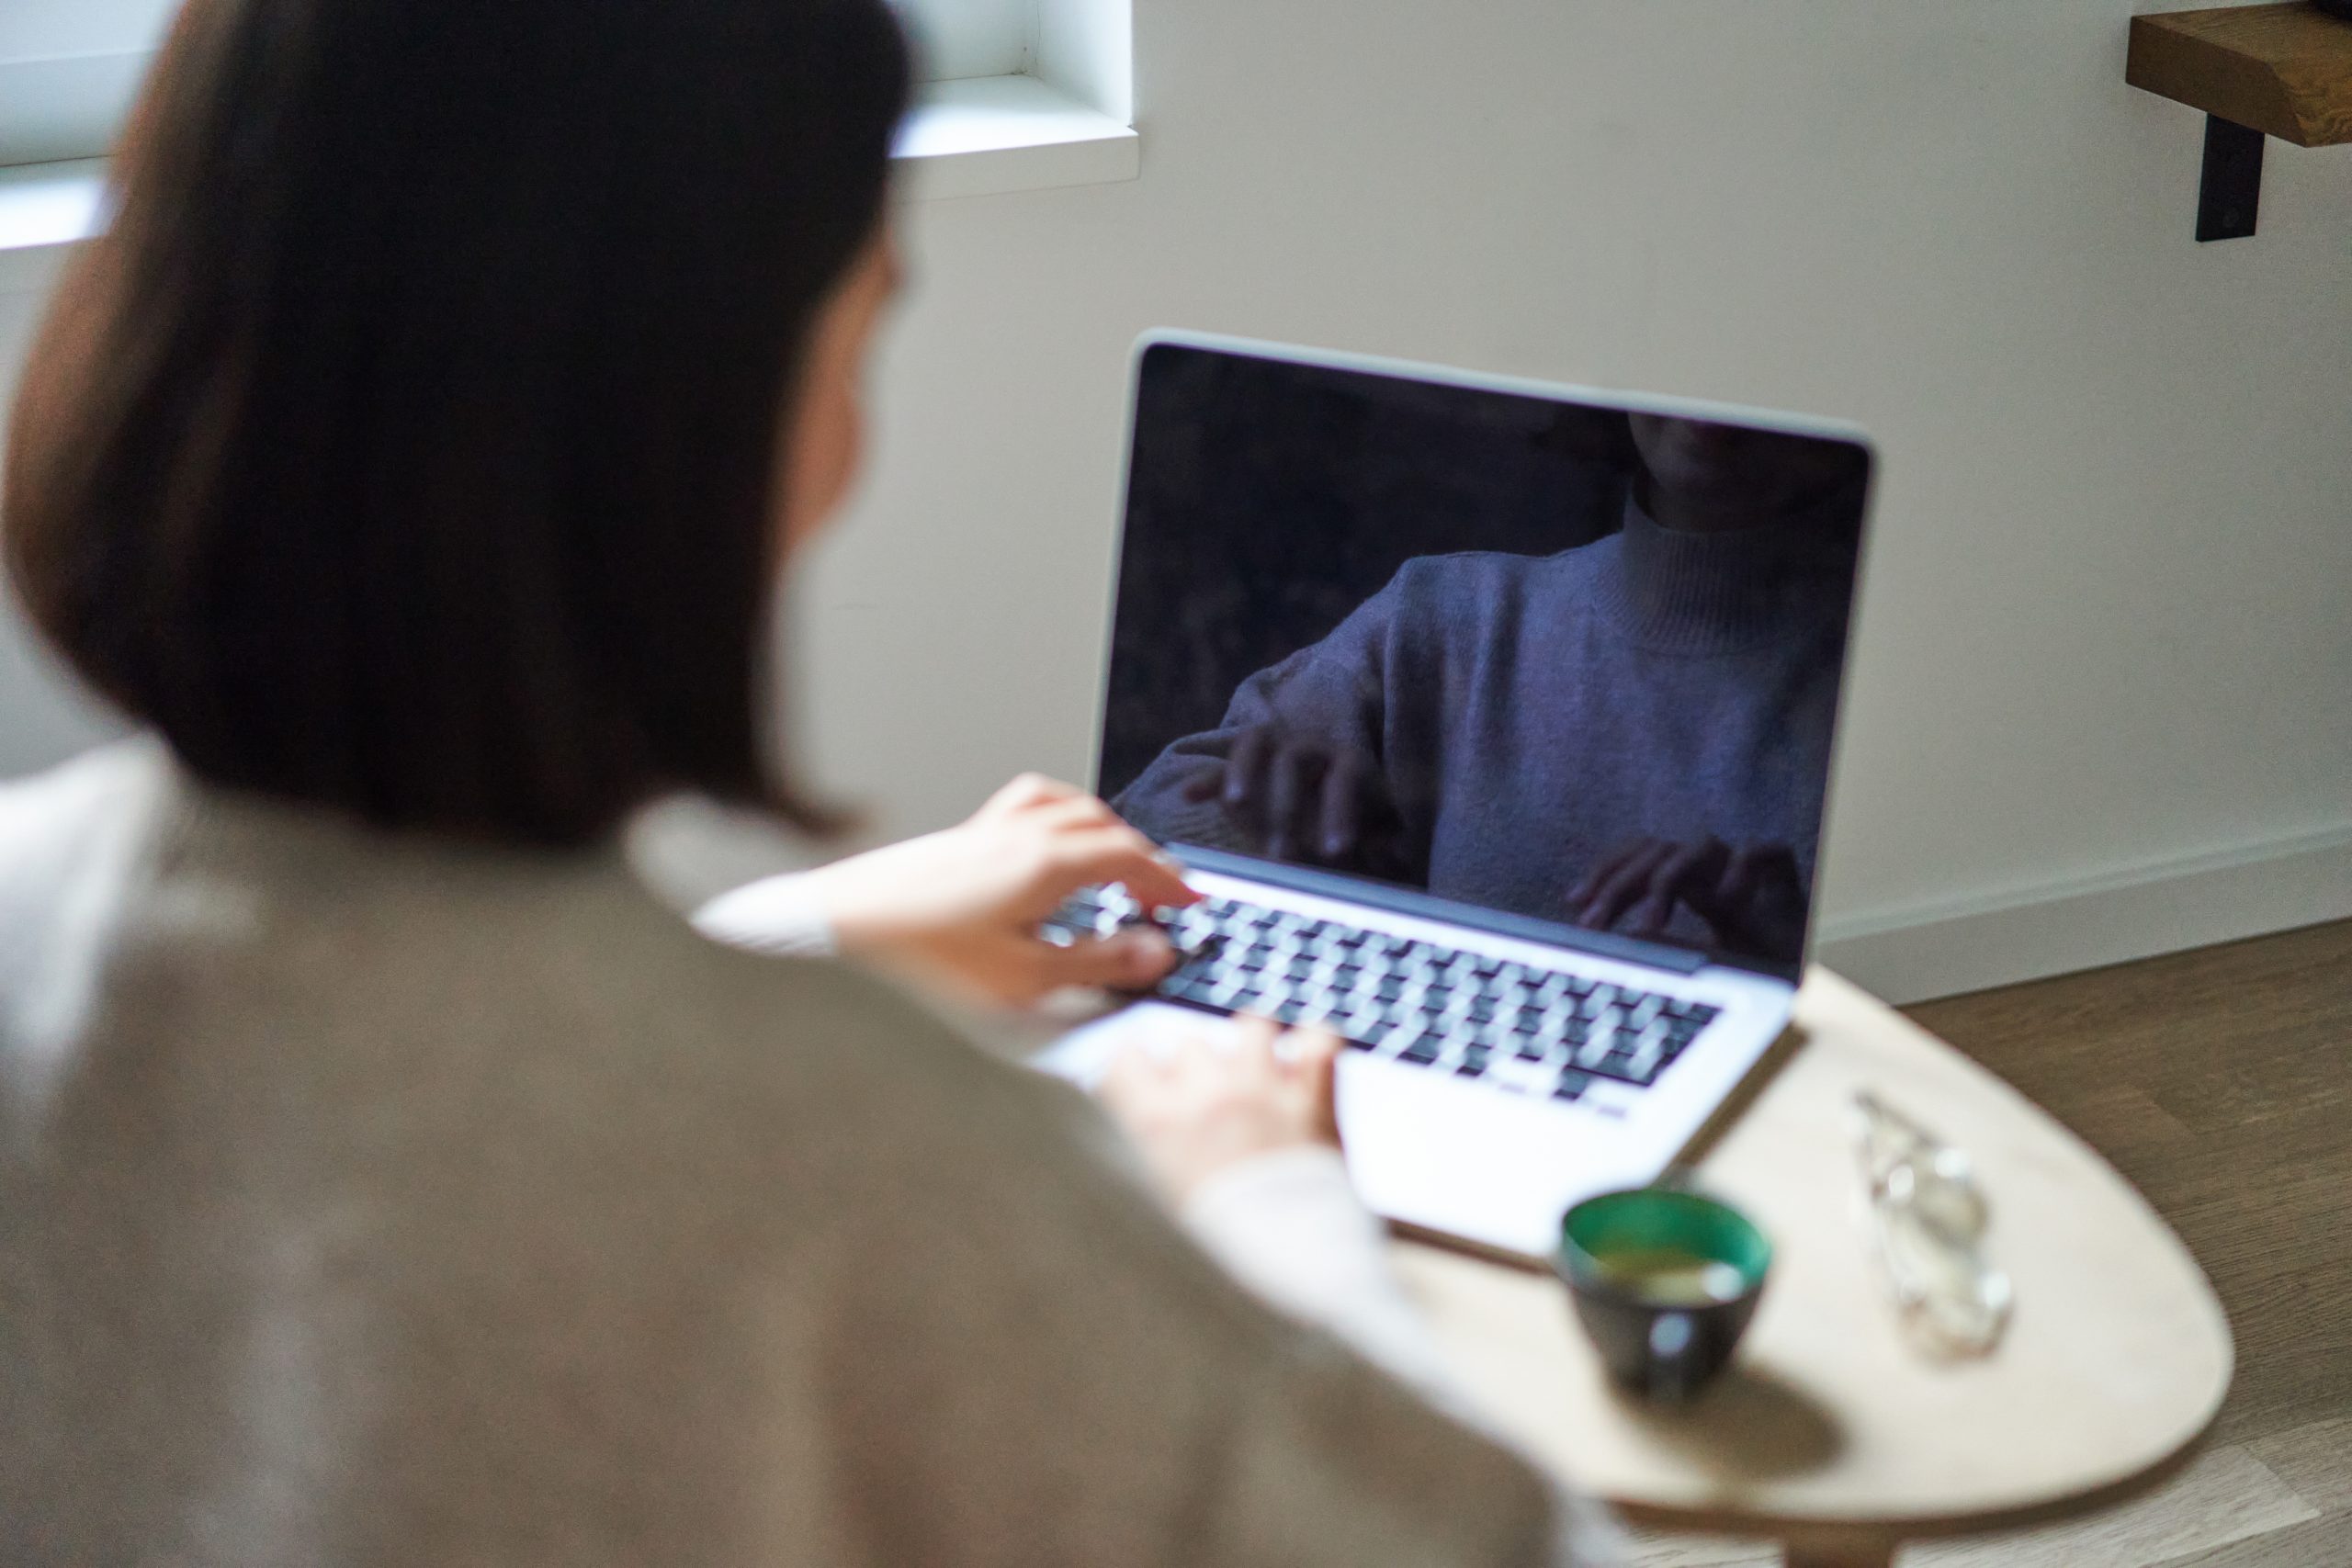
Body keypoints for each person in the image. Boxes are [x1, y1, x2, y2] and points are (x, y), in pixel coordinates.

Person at [0, 1, 1617, 1562]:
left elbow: (425, 1042)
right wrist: (1268, 1199)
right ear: (680, 429)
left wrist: (799, 930)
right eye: (855, 338)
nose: (853, 440)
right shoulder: (885, 1179)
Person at [1114, 414, 1866, 967]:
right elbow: (1142, 829)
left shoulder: (1884, 684)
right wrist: (1294, 850)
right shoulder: (1449, 617)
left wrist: (1789, 965)